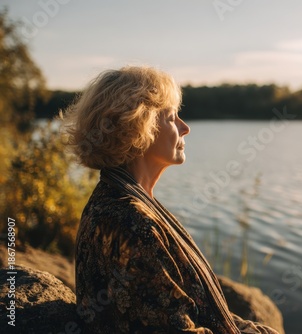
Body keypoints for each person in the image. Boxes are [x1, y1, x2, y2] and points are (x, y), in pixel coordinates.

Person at [61, 66, 280, 333]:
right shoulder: (131, 223)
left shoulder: (124, 201)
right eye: (172, 117)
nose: (185, 128)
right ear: (138, 125)